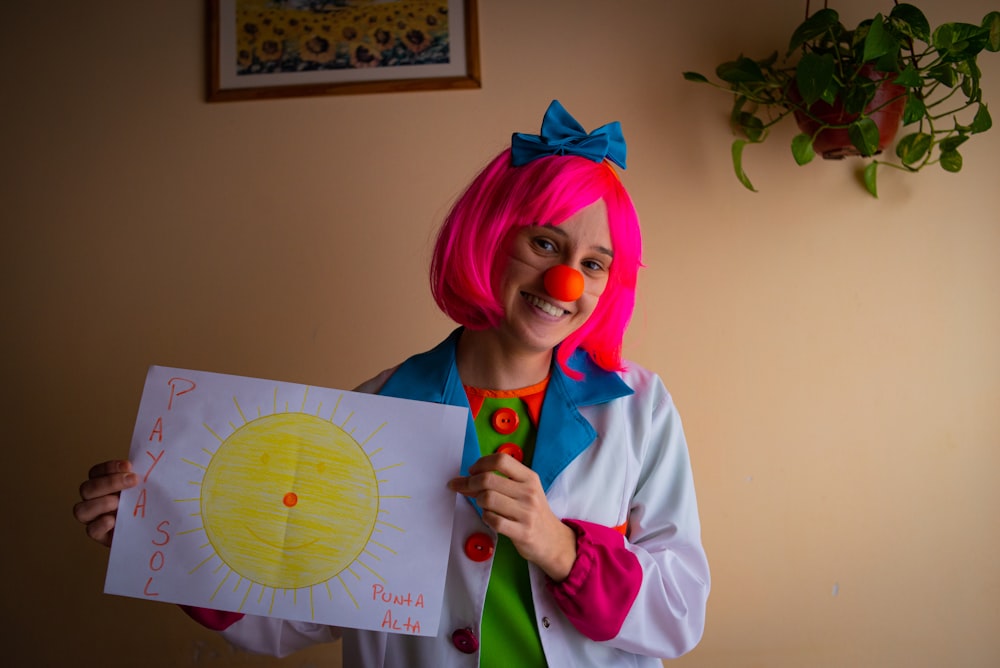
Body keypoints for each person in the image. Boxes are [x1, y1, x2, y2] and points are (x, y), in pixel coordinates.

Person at [73, 100, 710, 667]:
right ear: (491, 239)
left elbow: (679, 613)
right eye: (545, 243)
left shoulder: (639, 409)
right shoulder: (372, 411)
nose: (567, 281)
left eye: (593, 263)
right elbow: (297, 613)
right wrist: (162, 532)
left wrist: (563, 549)